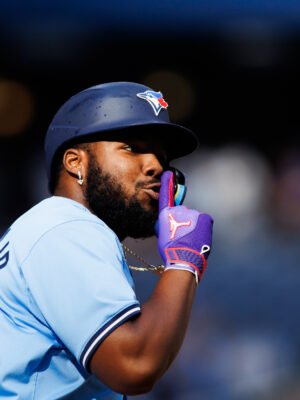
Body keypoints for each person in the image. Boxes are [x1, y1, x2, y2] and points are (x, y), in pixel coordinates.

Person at [0, 82, 213, 399]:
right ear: (75, 162)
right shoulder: (64, 225)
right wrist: (184, 262)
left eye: (161, 155)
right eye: (133, 148)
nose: (156, 165)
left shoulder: (50, 229)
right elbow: (134, 365)